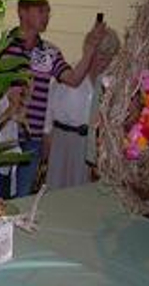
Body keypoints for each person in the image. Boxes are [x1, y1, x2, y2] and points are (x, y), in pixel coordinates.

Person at [5, 0, 106, 197]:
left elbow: (74, 79)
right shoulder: (1, 46)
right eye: (41, 10)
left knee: (22, 196)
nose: (47, 16)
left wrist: (90, 49)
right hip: (3, 138)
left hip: (31, 138)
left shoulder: (50, 52)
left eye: (48, 11)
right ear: (22, 12)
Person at [43, 28, 120, 190]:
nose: (104, 63)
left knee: (82, 192)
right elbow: (49, 112)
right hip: (63, 141)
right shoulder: (70, 73)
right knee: (57, 192)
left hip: (91, 144)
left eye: (109, 58)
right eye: (100, 56)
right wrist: (47, 142)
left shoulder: (111, 82)